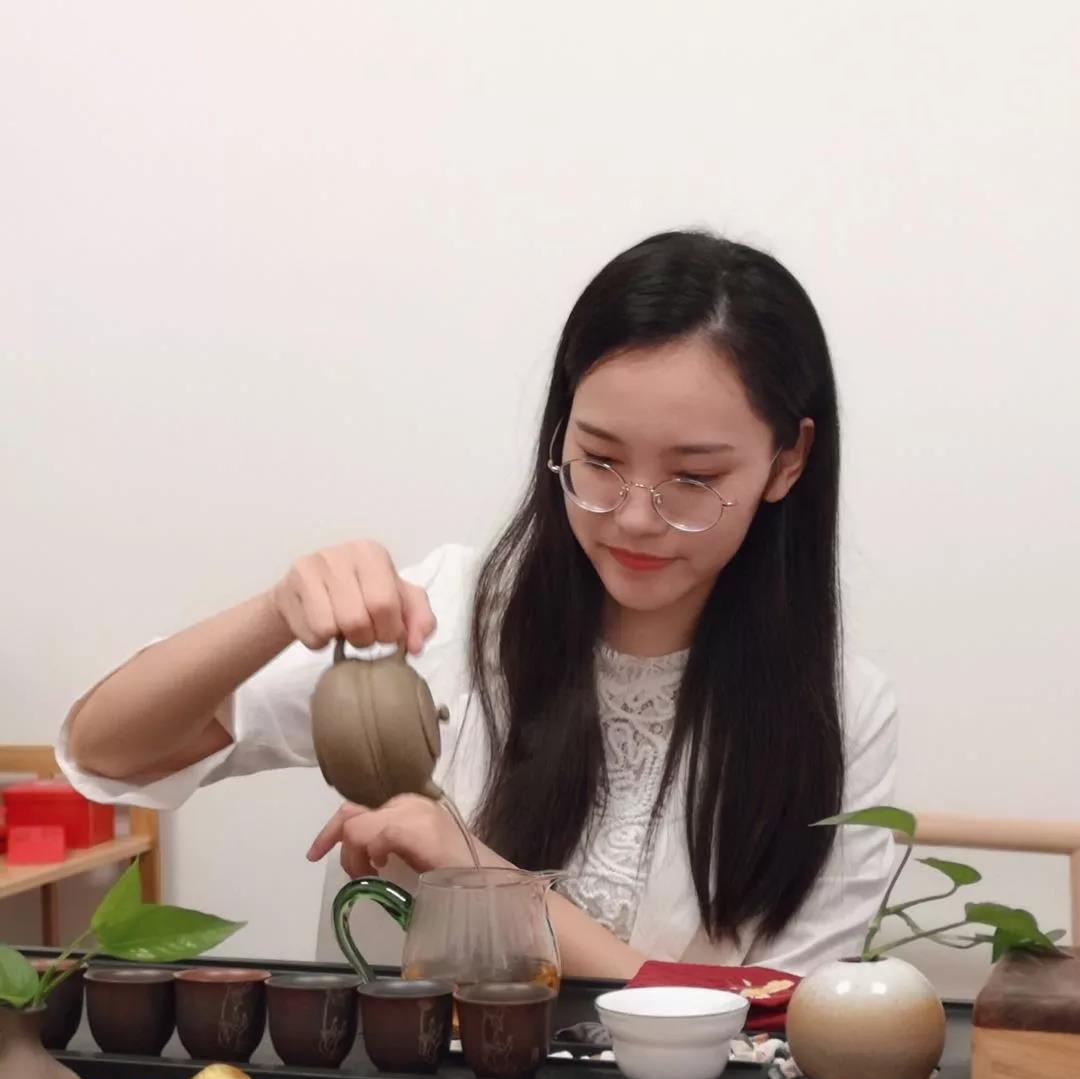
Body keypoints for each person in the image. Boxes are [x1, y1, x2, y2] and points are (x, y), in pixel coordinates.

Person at [60, 230, 897, 980]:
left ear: (788, 461)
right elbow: (106, 754)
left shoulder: (838, 714)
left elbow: (779, 1019)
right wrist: (277, 610)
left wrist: (476, 873)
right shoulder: (448, 619)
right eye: (600, 459)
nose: (635, 517)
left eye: (694, 478)